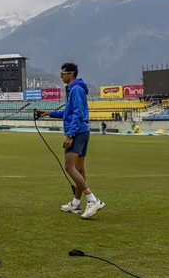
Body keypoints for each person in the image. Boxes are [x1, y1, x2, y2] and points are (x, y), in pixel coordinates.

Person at [35, 62, 105, 219]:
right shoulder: (74, 90)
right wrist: (49, 113)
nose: (61, 77)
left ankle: (92, 199)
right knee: (79, 169)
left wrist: (70, 135)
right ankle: (75, 204)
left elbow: (78, 114)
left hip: (78, 132)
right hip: (82, 131)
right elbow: (69, 112)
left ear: (71, 74)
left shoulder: (76, 90)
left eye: (63, 74)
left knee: (69, 167)